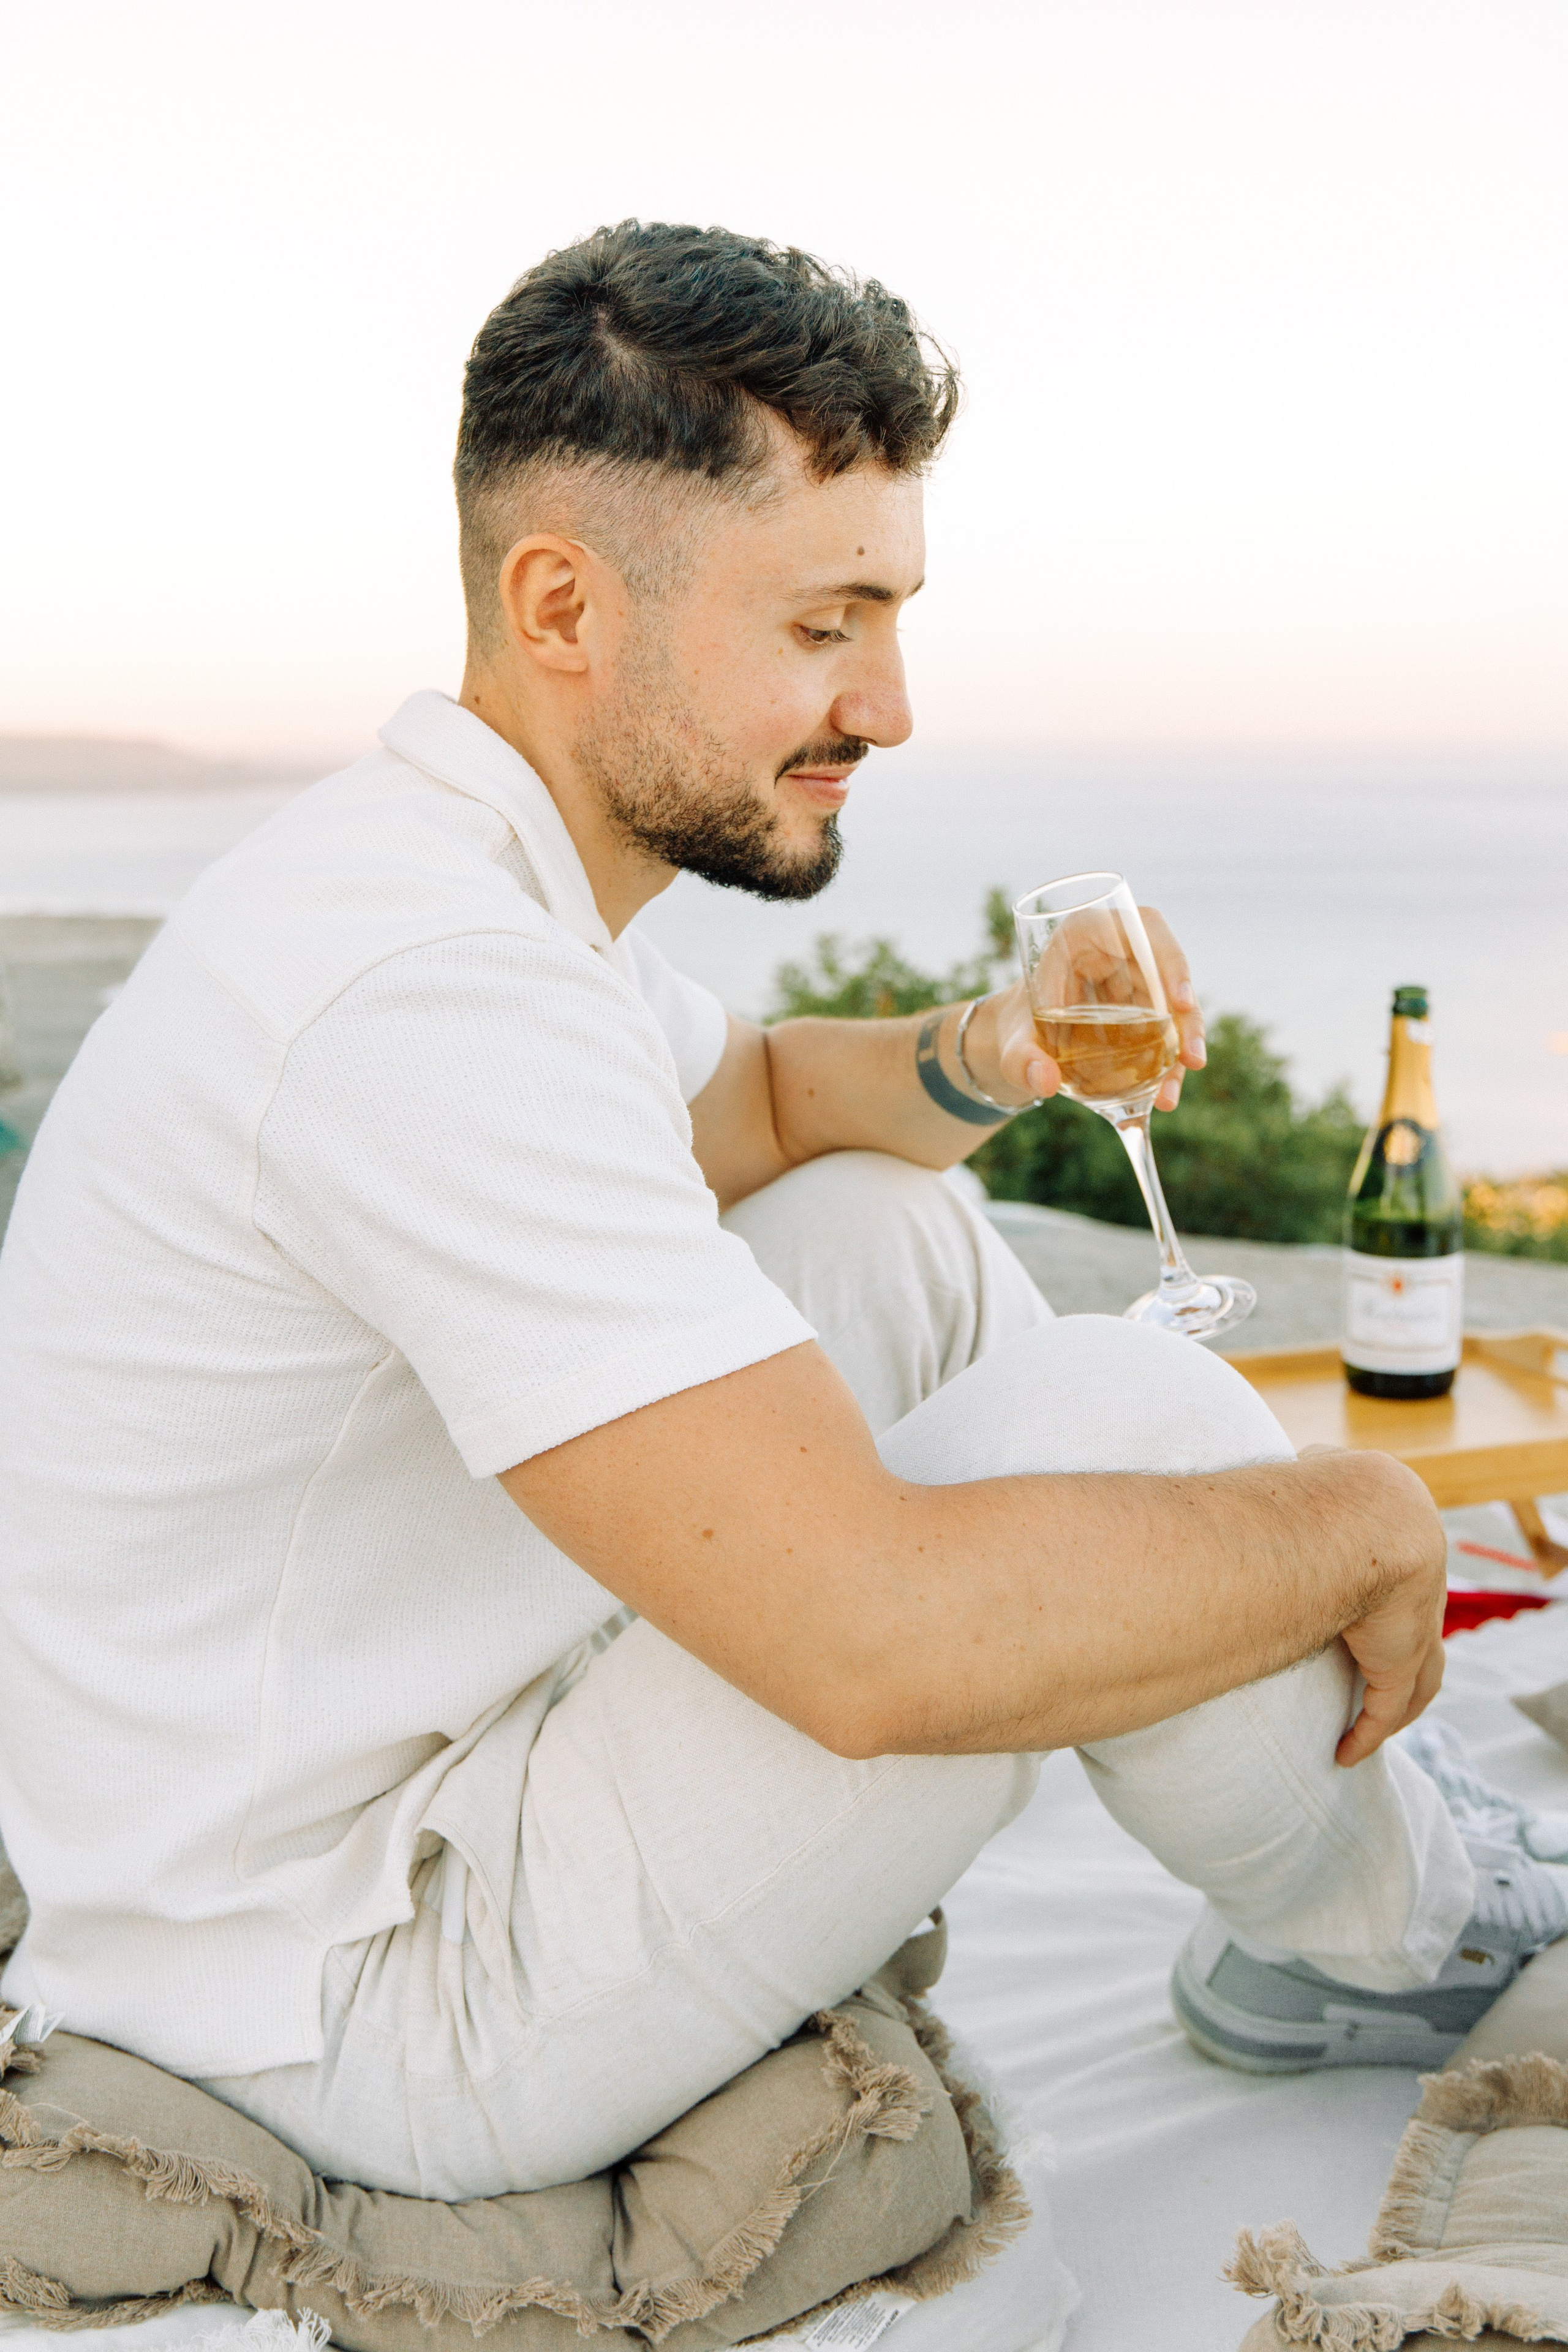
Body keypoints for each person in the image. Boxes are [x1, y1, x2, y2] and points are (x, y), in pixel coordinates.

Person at [0, 222, 1556, 2206]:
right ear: (563, 604)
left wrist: (999, 1049)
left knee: (885, 1232)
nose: (891, 705)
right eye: (827, 624)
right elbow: (869, 1651)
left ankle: (1335, 1866)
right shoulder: (424, 996)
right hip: (354, 1993)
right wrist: (1359, 1516)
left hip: (342, 1810)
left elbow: (744, 1105)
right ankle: (1393, 1925)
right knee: (1130, 1424)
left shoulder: (457, 884)